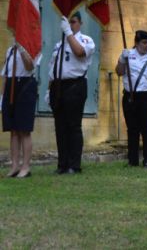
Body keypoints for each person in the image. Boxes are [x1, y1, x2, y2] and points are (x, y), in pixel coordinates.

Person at [47, 11, 95, 174]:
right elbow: (53, 68)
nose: (70, 25)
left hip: (75, 85)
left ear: (80, 23)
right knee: (60, 127)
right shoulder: (59, 44)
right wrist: (49, 89)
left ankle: (74, 165)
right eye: (68, 22)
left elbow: (79, 52)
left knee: (73, 126)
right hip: (58, 86)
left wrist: (68, 32)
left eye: (73, 22)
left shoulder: (86, 40)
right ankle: (62, 164)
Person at [116, 30, 147, 167]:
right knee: (132, 129)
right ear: (136, 43)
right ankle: (133, 160)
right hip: (130, 96)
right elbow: (119, 72)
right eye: (144, 42)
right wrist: (121, 59)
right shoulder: (128, 55)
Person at [1, 43, 38, 178]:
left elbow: (29, 66)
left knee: (24, 129)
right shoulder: (10, 50)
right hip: (11, 87)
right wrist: (2, 96)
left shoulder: (33, 46)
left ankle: (26, 167)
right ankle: (15, 166)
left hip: (25, 85)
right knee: (13, 130)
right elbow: (6, 74)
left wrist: (22, 48)